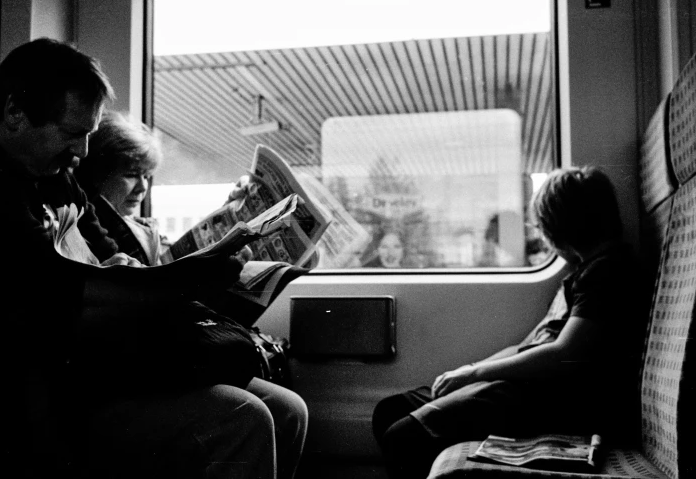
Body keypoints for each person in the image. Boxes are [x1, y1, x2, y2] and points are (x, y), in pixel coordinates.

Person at [0, 38, 297, 479]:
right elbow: (63, 295)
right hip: (24, 390)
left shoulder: (51, 173)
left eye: (90, 135)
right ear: (15, 113)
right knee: (244, 419)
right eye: (73, 134)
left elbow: (107, 252)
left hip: (86, 362)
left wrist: (145, 267)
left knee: (286, 411)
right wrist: (185, 281)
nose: (83, 154)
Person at [371, 166, 648, 479]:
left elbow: (563, 354)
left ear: (560, 229)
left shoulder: (607, 273)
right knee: (389, 410)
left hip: (548, 400)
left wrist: (476, 374)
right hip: (525, 387)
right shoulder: (585, 272)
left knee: (401, 438)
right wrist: (468, 372)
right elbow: (527, 347)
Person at [75, 109, 307, 479]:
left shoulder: (143, 230)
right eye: (130, 174)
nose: (142, 188)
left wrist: (230, 218)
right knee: (249, 415)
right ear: (97, 172)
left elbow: (176, 261)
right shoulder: (91, 228)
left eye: (147, 176)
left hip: (169, 343)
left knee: (291, 409)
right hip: (134, 362)